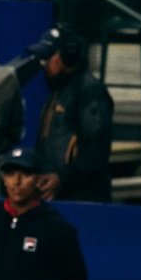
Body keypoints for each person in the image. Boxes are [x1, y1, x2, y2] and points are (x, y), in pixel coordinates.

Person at [0, 146, 88, 280]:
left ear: (38, 180)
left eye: (26, 174)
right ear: (3, 178)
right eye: (10, 174)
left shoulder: (58, 228)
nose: (17, 182)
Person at [33, 25, 114, 203]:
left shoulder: (90, 91)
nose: (43, 63)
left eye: (48, 56)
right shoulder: (58, 91)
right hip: (60, 196)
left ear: (67, 56)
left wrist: (62, 179)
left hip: (83, 198)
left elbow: (95, 152)